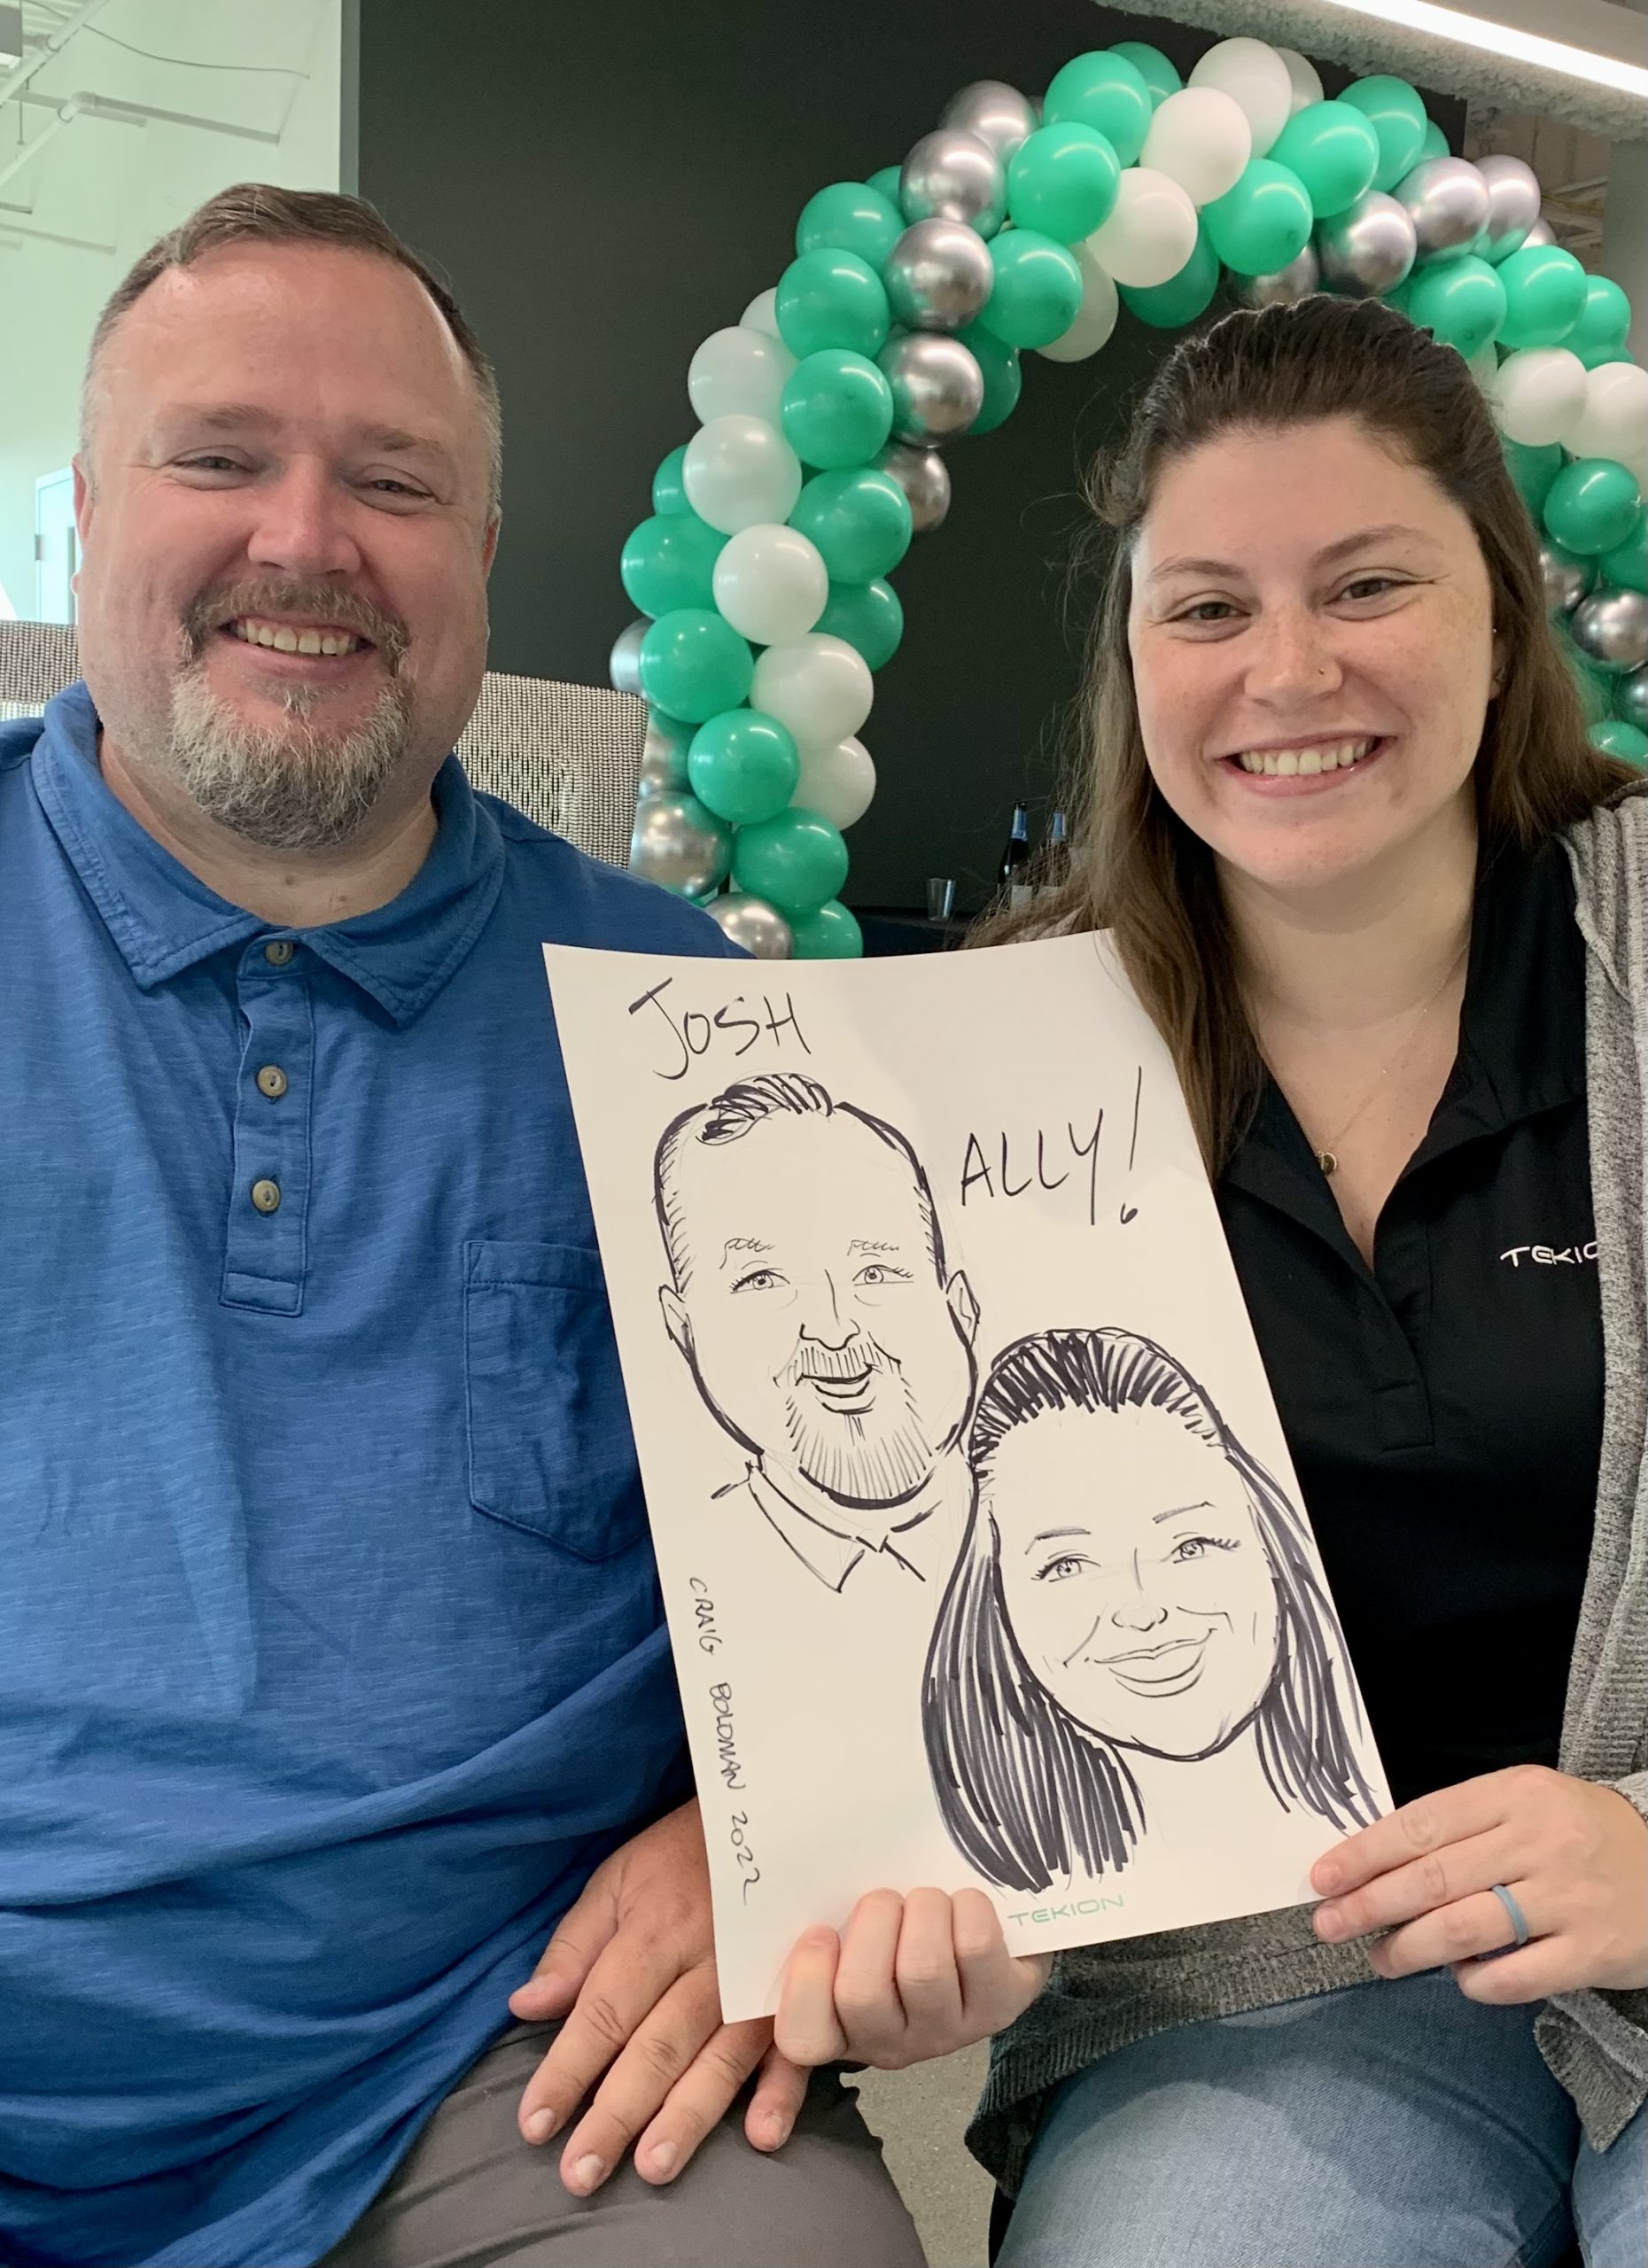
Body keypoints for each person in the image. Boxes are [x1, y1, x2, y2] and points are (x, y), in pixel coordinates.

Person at [0, 184, 927, 2268]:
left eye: (393, 481)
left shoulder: (696, 1018)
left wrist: (756, 1833)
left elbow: (889, 1575)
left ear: (483, 551)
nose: (305, 538)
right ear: (88, 512)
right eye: (220, 456)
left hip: (493, 2056)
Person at [773, 296, 1646, 2268]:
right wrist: (933, 1886)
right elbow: (919, 1630)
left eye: (1369, 585)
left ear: (1503, 608)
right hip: (1263, 1983)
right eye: (1208, 608)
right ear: (1134, 654)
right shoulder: (997, 1064)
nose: (1288, 671)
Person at [923, 1325, 1380, 1897]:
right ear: (996, 1595)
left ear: (1267, 1544)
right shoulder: (989, 1884)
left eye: (1190, 1546)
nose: (1142, 1609)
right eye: (1068, 1565)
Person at [655, 1071, 980, 1593]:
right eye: (763, 1280)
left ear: (959, 1307)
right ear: (684, 1332)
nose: (832, 1330)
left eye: (874, 1271)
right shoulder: (702, 1580)